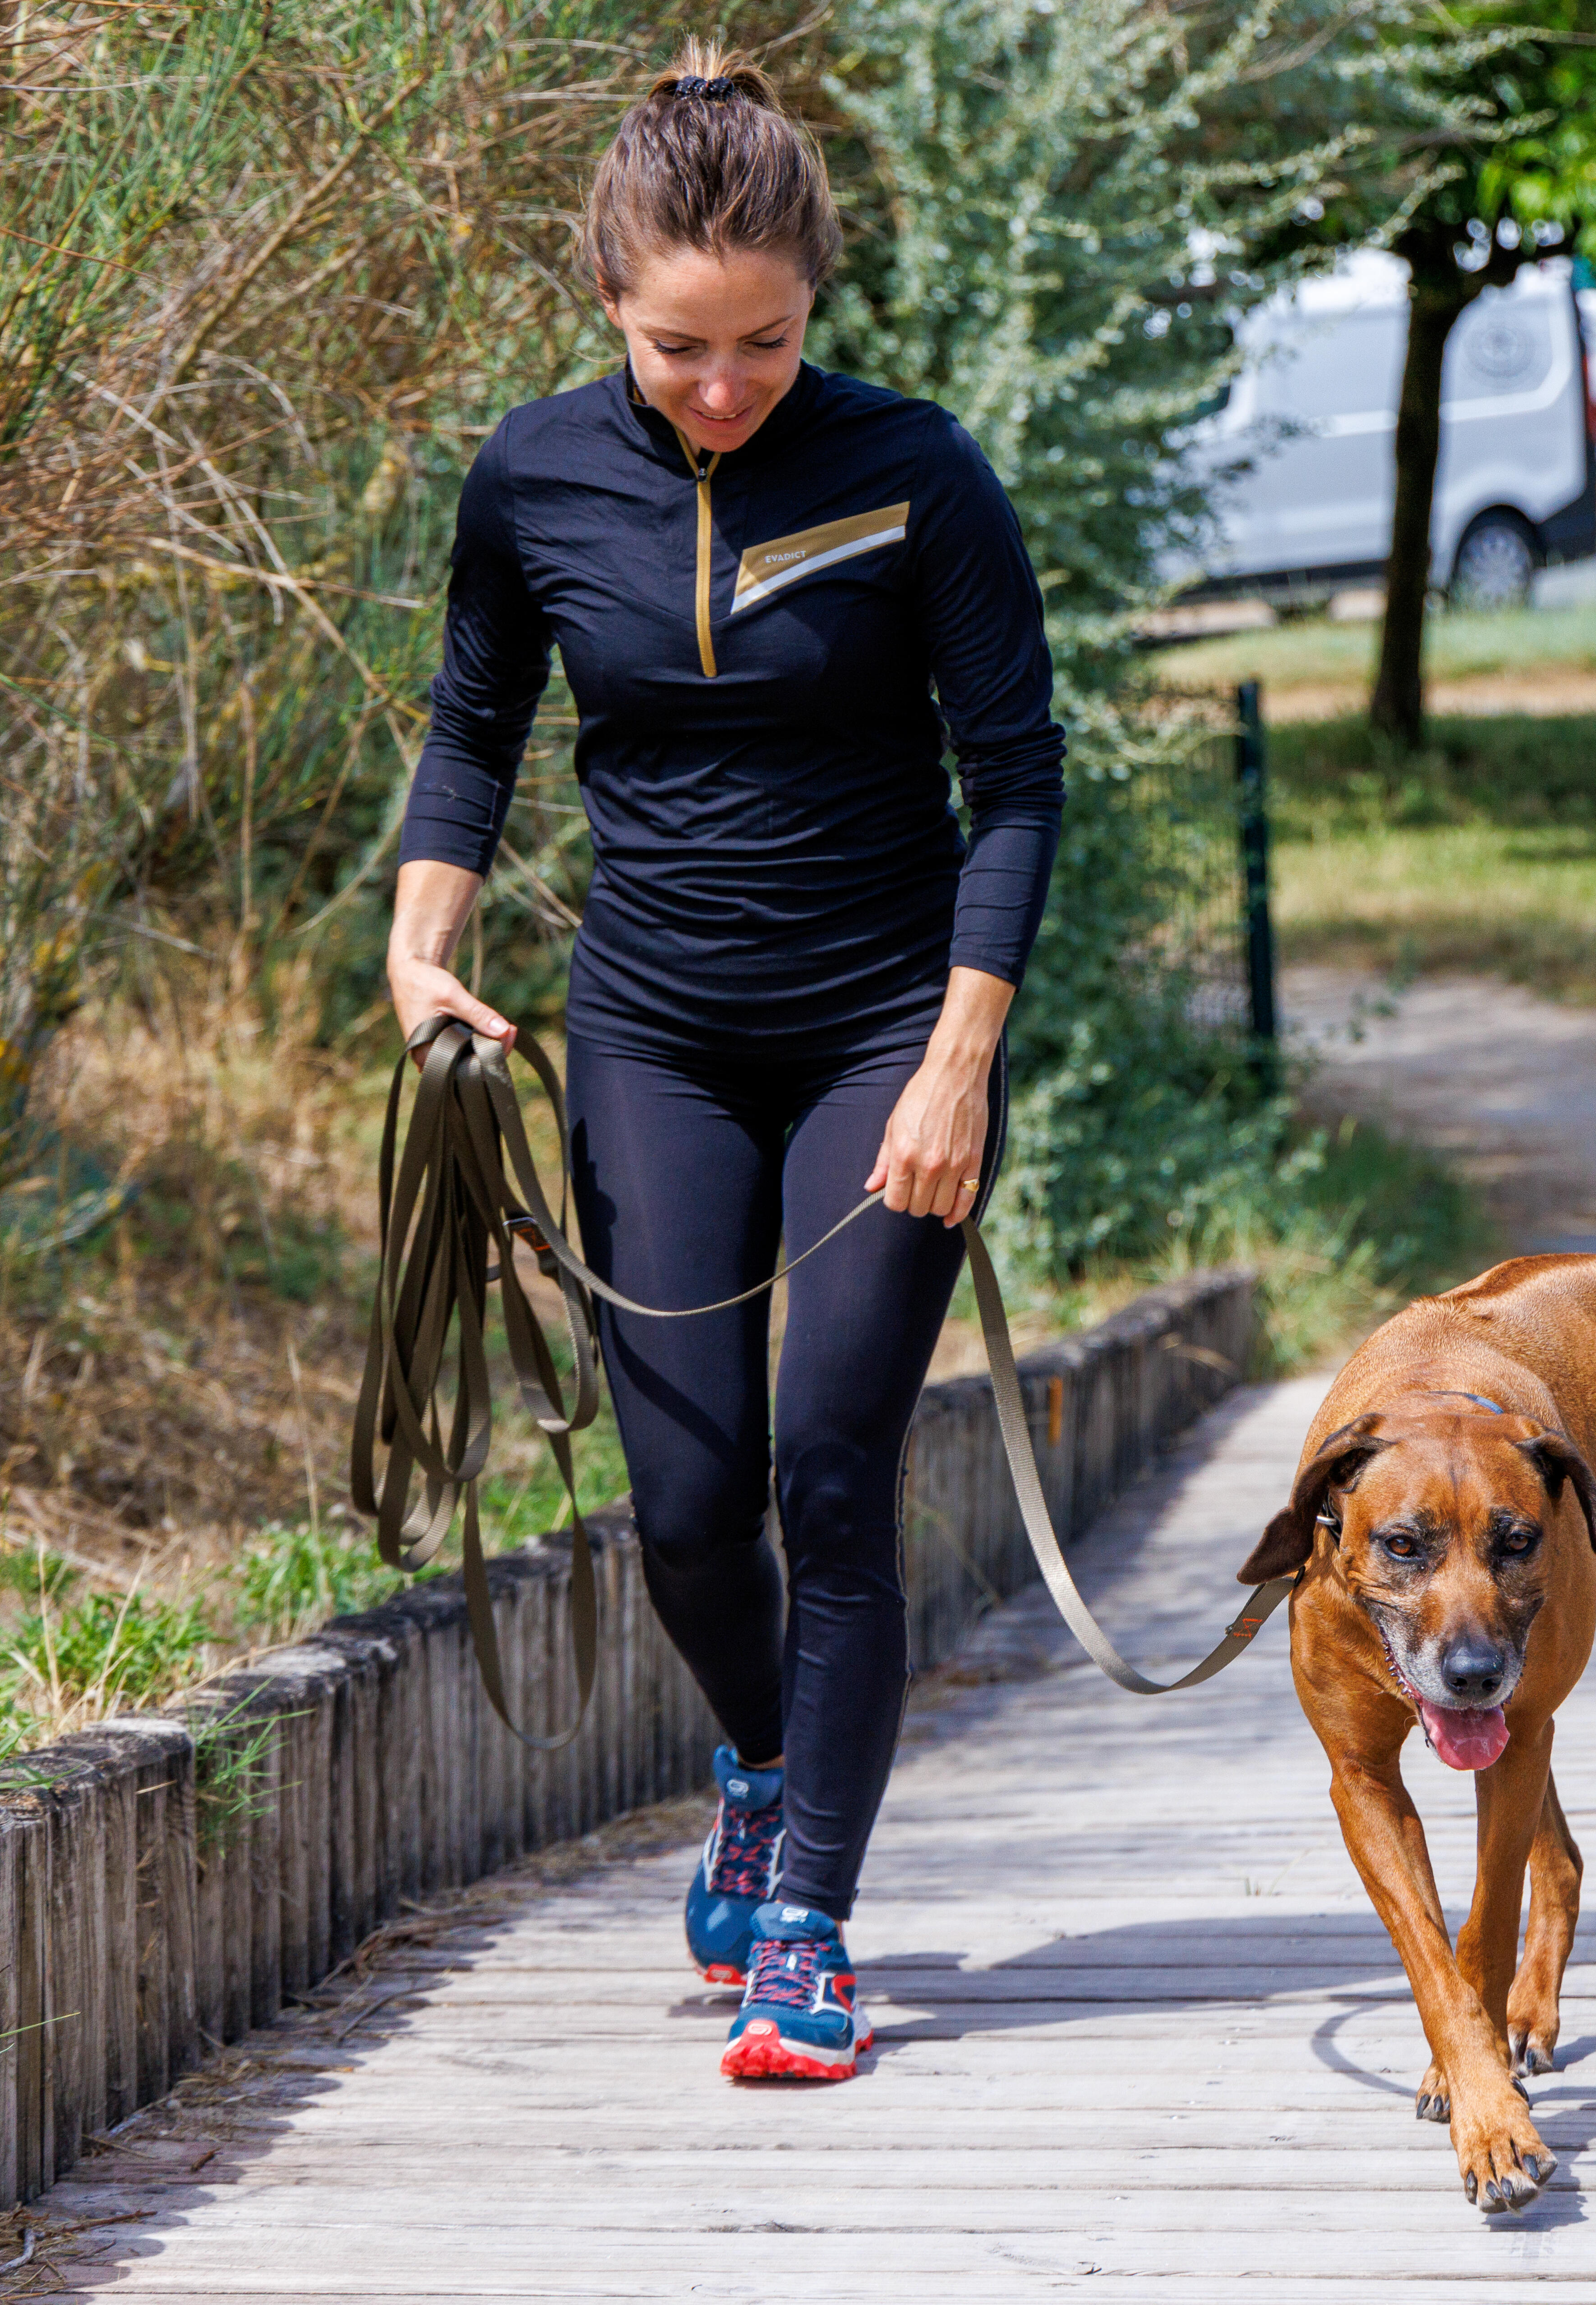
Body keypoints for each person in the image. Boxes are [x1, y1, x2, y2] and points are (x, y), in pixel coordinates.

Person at [383, 43, 1064, 2084]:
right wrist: (422, 947)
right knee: (688, 1504)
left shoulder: (917, 471)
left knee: (833, 1478)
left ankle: (809, 1929)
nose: (723, 385)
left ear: (814, 307)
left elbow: (1018, 784)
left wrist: (956, 1066)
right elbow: (473, 726)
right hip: (653, 1031)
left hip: (883, 1030)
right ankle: (764, 1762)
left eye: (764, 343)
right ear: (610, 299)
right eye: (682, 346)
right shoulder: (532, 479)